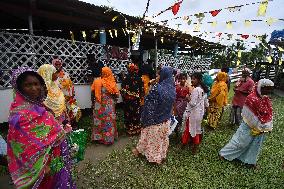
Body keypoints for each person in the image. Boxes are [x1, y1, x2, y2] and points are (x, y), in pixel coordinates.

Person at [7, 67, 76, 189]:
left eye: (36, 84)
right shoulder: (18, 116)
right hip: (41, 167)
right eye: (28, 85)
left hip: (55, 158)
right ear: (19, 88)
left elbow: (50, 130)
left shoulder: (39, 107)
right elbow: (22, 148)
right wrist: (43, 167)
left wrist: (62, 130)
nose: (34, 88)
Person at [219, 79, 274, 168]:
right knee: (240, 142)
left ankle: (249, 162)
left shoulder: (266, 99)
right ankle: (225, 154)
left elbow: (269, 114)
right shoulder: (251, 98)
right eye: (266, 88)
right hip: (249, 126)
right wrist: (257, 126)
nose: (268, 91)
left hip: (260, 129)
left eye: (270, 89)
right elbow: (248, 114)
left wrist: (266, 126)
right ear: (260, 87)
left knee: (255, 146)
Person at [132, 66, 176, 164]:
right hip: (165, 120)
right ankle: (161, 155)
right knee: (162, 139)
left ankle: (154, 159)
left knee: (151, 139)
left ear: (163, 75)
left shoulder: (157, 88)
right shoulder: (172, 88)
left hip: (154, 121)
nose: (156, 77)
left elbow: (149, 106)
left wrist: (145, 119)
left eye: (158, 75)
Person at [91, 67, 119, 145]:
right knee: (108, 121)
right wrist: (114, 102)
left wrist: (92, 103)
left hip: (98, 104)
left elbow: (92, 93)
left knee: (99, 121)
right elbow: (116, 95)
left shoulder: (97, 81)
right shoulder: (112, 82)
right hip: (109, 105)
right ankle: (108, 139)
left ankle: (98, 138)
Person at [182, 72, 209, 154]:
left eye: (194, 79)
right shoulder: (203, 89)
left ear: (199, 80)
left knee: (189, 129)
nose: (192, 80)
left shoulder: (196, 90)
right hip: (200, 113)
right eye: (192, 79)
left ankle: (188, 145)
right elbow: (206, 103)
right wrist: (206, 112)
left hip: (193, 113)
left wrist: (187, 98)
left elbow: (192, 103)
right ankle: (191, 145)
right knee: (196, 129)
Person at [52, 58, 82, 126]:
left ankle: (69, 126)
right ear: (53, 65)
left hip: (69, 97)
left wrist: (72, 93)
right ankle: (61, 128)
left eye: (59, 64)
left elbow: (70, 84)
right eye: (56, 64)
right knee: (61, 114)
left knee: (72, 111)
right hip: (58, 99)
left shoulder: (65, 74)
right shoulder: (52, 75)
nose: (58, 66)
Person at [121, 63, 144, 135]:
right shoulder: (139, 78)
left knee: (128, 114)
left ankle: (129, 129)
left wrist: (124, 98)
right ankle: (136, 129)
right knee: (136, 114)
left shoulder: (125, 79)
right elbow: (142, 90)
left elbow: (122, 91)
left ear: (128, 70)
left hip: (127, 101)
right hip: (136, 100)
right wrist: (140, 98)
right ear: (134, 70)